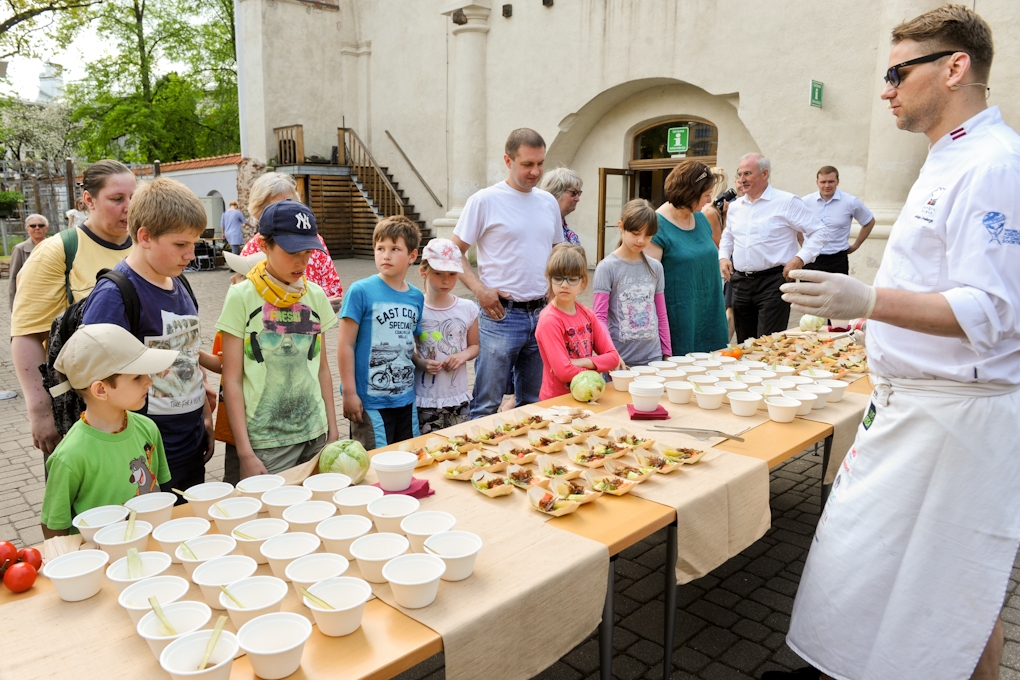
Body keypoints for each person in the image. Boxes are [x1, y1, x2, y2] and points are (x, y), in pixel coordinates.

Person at [773, 6, 1020, 680]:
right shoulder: (949, 156)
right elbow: (943, 283)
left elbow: (995, 308)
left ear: (954, 68)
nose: (885, 89)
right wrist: (872, 323)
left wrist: (873, 299)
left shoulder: (993, 163)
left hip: (954, 419)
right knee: (872, 567)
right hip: (914, 406)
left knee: (957, 599)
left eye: (895, 72)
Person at [81, 177, 213, 499]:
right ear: (145, 237)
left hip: (190, 442)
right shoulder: (116, 294)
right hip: (143, 456)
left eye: (194, 243)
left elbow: (186, 351)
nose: (190, 255)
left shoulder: (179, 283)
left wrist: (205, 415)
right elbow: (93, 379)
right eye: (181, 245)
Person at [11, 160, 136, 457]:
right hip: (82, 411)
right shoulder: (59, 250)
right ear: (88, 201)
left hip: (138, 403)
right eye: (117, 199)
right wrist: (41, 411)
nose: (128, 207)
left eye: (134, 198)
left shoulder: (144, 245)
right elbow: (27, 335)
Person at [217, 199, 339, 481]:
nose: (302, 261)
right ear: (263, 245)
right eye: (292, 250)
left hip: (316, 435)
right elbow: (232, 379)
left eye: (308, 251)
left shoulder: (316, 295)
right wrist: (246, 454)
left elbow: (322, 369)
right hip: (268, 445)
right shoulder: (241, 297)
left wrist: (332, 431)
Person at [452, 128, 563, 418]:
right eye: (527, 164)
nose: (535, 171)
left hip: (542, 314)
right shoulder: (484, 200)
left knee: (534, 404)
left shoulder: (548, 202)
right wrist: (479, 289)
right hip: (500, 315)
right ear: (508, 160)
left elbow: (558, 252)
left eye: (540, 163)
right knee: (487, 405)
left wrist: (556, 289)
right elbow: (451, 252)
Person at [39, 324, 178, 538]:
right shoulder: (69, 457)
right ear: (101, 390)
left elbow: (162, 491)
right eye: (137, 377)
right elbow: (54, 528)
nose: (149, 381)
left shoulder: (147, 428)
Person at [719, 153, 826, 342]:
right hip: (741, 283)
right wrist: (724, 256)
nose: (742, 180)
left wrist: (800, 258)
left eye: (747, 174)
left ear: (764, 173)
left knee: (768, 343)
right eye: (740, 174)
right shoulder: (736, 207)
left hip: (774, 281)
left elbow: (819, 231)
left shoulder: (786, 202)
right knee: (744, 343)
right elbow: (728, 234)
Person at [339, 216, 424, 449]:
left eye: (395, 249)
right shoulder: (360, 291)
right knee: (376, 463)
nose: (385, 255)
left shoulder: (416, 297)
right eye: (380, 248)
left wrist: (423, 363)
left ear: (412, 256)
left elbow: (407, 343)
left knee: (409, 457)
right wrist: (349, 393)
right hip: (369, 402)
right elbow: (345, 344)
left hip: (405, 398)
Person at [646, 160, 729, 354]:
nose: (710, 201)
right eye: (706, 195)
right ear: (690, 193)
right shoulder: (656, 226)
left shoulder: (701, 219)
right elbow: (648, 285)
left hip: (711, 315)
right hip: (680, 322)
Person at [242, 172, 343, 311]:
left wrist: (321, 303)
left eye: (290, 202)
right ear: (260, 210)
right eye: (278, 205)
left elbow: (333, 288)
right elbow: (247, 302)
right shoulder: (252, 249)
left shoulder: (315, 240)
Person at [536, 244, 621, 400]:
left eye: (572, 279)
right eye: (558, 278)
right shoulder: (550, 320)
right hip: (558, 401)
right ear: (549, 278)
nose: (564, 285)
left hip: (587, 396)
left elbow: (613, 357)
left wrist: (580, 362)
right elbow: (563, 371)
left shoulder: (588, 315)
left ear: (583, 282)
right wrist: (596, 370)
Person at [593, 199, 671, 367]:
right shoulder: (606, 267)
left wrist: (666, 353)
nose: (641, 240)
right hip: (620, 360)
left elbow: (661, 314)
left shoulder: (656, 267)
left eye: (648, 235)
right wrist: (610, 355)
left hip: (653, 358)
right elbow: (599, 317)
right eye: (635, 233)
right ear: (621, 226)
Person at [414, 238, 479, 434]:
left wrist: (462, 356)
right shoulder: (416, 308)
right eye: (438, 273)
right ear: (423, 272)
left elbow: (475, 345)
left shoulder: (467, 308)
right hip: (425, 398)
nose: (446, 280)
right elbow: (407, 349)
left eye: (452, 274)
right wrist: (421, 363)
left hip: (457, 396)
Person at [801, 166, 876, 275]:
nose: (827, 185)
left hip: (837, 260)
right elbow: (794, 223)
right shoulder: (805, 202)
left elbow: (869, 222)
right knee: (808, 292)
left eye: (831, 181)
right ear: (817, 182)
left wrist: (856, 245)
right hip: (811, 258)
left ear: (838, 182)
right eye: (823, 182)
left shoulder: (850, 202)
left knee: (838, 292)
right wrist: (802, 242)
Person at [8, 214, 49, 310]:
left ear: (46, 228)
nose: (37, 228)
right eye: (33, 226)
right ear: (27, 229)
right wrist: (14, 307)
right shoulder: (19, 249)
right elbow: (13, 278)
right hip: (29, 299)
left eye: (41, 225)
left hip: (50, 296)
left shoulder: (55, 246)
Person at [539, 167, 583, 245]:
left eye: (579, 193)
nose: (577, 199)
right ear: (556, 192)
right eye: (573, 193)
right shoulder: (542, 229)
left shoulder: (567, 232)